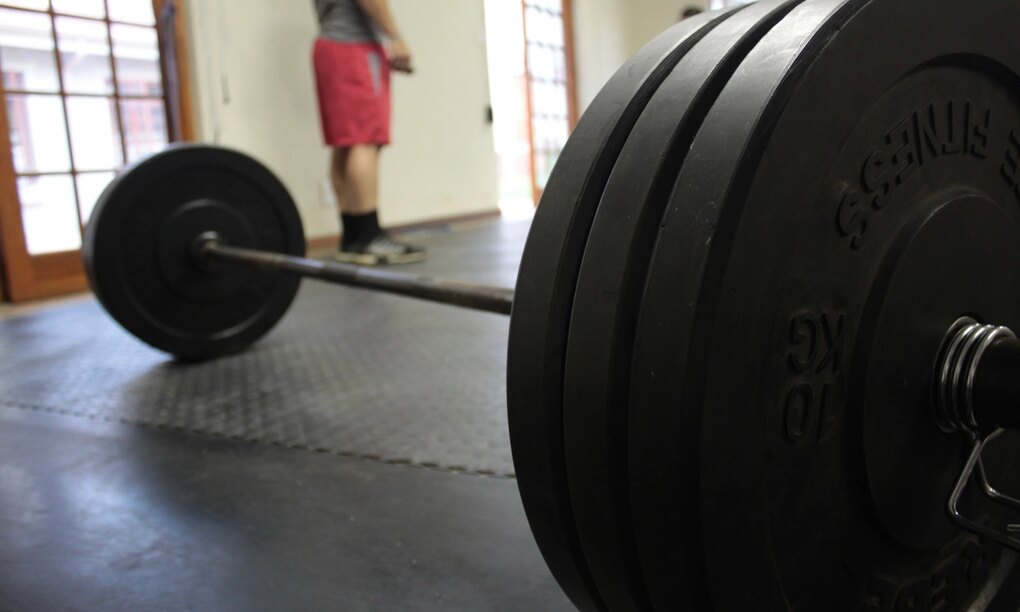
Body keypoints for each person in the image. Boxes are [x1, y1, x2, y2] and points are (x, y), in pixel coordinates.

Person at [312, 0, 425, 265]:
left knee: (346, 144)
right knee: (365, 141)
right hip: (354, 48)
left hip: (329, 46)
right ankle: (369, 237)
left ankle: (353, 237)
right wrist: (395, 37)